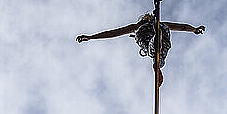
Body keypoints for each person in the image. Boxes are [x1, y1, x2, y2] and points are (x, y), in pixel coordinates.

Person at [76, 11, 205, 86]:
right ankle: (157, 41)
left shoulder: (137, 27)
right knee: (159, 52)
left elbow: (113, 33)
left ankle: (157, 46)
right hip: (157, 34)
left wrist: (90, 37)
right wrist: (194, 30)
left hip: (151, 38)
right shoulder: (142, 26)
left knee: (155, 52)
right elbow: (182, 27)